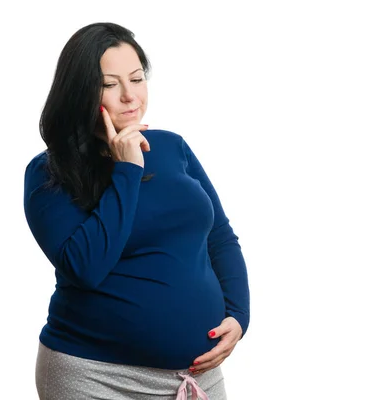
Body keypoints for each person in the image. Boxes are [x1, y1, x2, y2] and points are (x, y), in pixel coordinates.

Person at [23, 22, 250, 400]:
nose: (130, 96)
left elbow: (220, 237)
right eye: (110, 84)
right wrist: (127, 170)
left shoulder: (172, 147)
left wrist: (239, 316)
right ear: (79, 91)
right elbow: (84, 267)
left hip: (195, 375)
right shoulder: (49, 172)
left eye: (137, 78)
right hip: (94, 377)